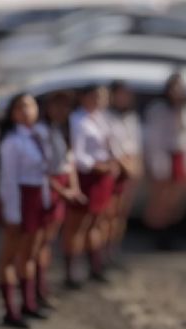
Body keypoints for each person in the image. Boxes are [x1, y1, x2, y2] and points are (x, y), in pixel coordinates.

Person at [0, 93, 51, 329]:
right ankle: (11, 309)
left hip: (38, 199)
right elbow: (9, 180)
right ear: (13, 113)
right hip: (21, 200)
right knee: (11, 256)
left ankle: (28, 303)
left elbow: (44, 172)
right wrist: (13, 214)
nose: (27, 111)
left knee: (31, 253)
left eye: (30, 106)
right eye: (21, 107)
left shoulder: (37, 135)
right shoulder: (12, 142)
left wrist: (46, 200)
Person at [65, 84, 119, 286]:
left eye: (103, 97)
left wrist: (111, 162)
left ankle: (95, 266)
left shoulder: (101, 118)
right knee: (78, 225)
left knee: (96, 221)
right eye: (95, 96)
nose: (99, 101)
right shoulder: (77, 120)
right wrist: (97, 166)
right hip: (87, 175)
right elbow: (77, 155)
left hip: (101, 176)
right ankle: (72, 270)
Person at [35, 91, 85, 302]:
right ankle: (36, 288)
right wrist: (62, 190)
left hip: (61, 185)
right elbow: (42, 169)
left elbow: (69, 161)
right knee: (40, 241)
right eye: (57, 106)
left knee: (49, 240)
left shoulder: (62, 129)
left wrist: (74, 187)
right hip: (48, 187)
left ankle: (42, 286)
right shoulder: (40, 131)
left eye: (66, 107)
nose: (62, 111)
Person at [143, 73, 186, 250]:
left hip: (181, 156)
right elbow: (152, 138)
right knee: (160, 200)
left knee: (175, 201)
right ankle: (158, 236)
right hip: (162, 156)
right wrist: (155, 163)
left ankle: (170, 234)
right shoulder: (158, 110)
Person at [106, 80, 143, 264]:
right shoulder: (106, 117)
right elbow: (111, 146)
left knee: (121, 214)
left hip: (129, 169)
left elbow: (135, 144)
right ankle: (101, 253)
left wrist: (135, 166)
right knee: (108, 215)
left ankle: (114, 249)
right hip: (115, 169)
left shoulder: (131, 118)